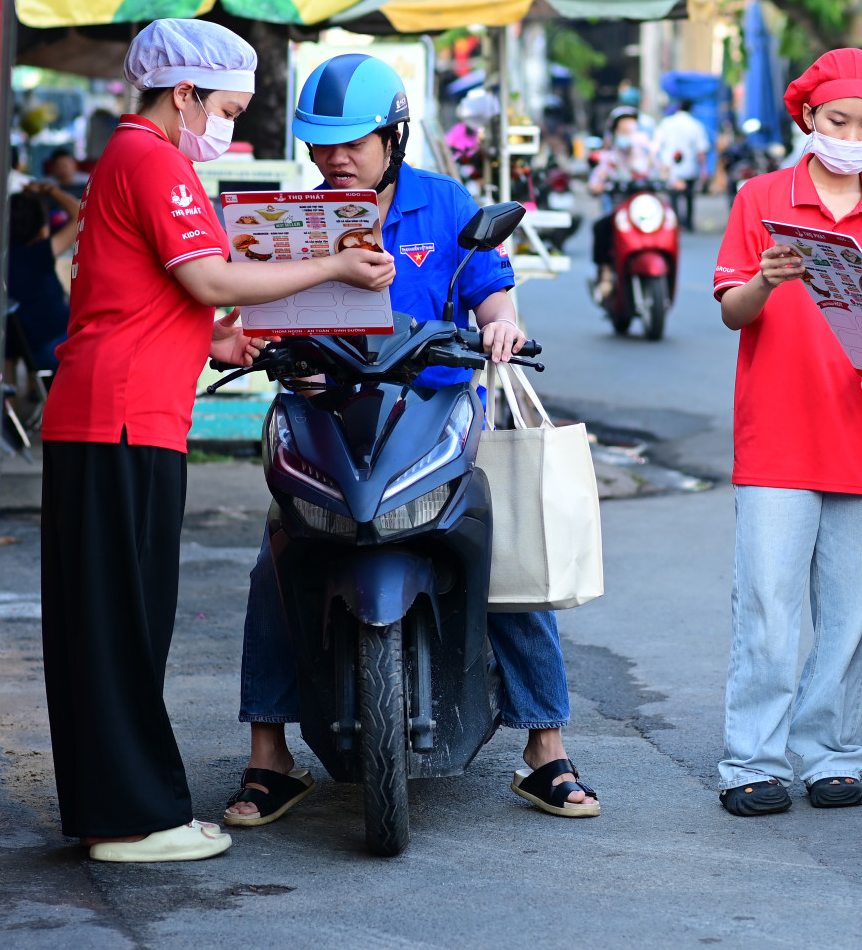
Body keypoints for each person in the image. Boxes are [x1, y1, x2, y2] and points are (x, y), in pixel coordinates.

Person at [40, 20, 395, 863]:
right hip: (120, 418)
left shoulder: (136, 158)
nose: (228, 127)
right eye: (226, 108)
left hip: (123, 412)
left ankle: (125, 808)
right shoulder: (152, 159)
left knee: (119, 621)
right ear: (184, 93)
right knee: (122, 623)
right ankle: (133, 818)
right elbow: (206, 278)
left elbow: (138, 293)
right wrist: (334, 267)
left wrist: (217, 342)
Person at [230, 53, 601, 825]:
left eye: (354, 143)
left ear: (393, 137)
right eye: (322, 145)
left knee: (496, 548)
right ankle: (269, 756)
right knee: (278, 559)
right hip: (327, 414)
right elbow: (261, 318)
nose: (335, 159)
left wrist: (500, 327)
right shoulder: (293, 218)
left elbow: (491, 294)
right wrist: (279, 355)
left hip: (431, 412)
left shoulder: (443, 202)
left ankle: (547, 748)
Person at [711, 48, 862, 816]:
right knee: (768, 604)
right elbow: (731, 309)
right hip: (777, 433)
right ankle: (752, 759)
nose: (854, 134)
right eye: (839, 120)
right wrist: (764, 280)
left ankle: (833, 752)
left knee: (849, 611)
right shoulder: (761, 199)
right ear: (808, 118)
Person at [587, 106, 664, 301]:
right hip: (619, 211)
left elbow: (663, 172)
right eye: (623, 131)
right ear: (613, 133)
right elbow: (595, 181)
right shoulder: (608, 157)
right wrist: (599, 184)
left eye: (632, 130)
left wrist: (674, 180)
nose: (628, 135)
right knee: (601, 227)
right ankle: (605, 273)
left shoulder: (645, 155)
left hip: (645, 210)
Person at [4, 190, 76, 371]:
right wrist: (51, 190)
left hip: (23, 350)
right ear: (43, 229)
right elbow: (81, 214)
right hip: (58, 346)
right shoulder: (40, 252)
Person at [654, 97, 711, 230]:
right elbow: (701, 150)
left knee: (673, 196)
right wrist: (704, 170)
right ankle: (688, 223)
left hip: (670, 167)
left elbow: (657, 145)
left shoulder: (666, 123)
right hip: (689, 167)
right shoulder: (696, 125)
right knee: (689, 196)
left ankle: (675, 222)